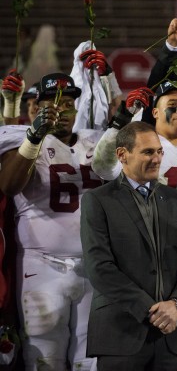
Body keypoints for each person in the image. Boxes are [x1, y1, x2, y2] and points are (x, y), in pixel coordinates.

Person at [91, 81, 177, 371]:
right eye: (173, 105)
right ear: (154, 111)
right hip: (145, 260)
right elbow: (102, 167)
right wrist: (123, 118)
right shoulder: (141, 145)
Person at [80, 121, 177, 370]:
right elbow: (99, 268)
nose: (157, 159)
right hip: (121, 333)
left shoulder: (175, 199)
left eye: (159, 151)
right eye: (148, 152)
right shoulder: (97, 200)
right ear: (122, 155)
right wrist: (152, 311)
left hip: (172, 334)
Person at [0, 73, 102, 370]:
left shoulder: (96, 141)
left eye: (68, 103)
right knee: (43, 357)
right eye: (53, 103)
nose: (61, 109)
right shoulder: (22, 138)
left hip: (92, 266)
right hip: (42, 265)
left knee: (91, 358)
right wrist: (33, 136)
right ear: (39, 106)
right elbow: (9, 185)